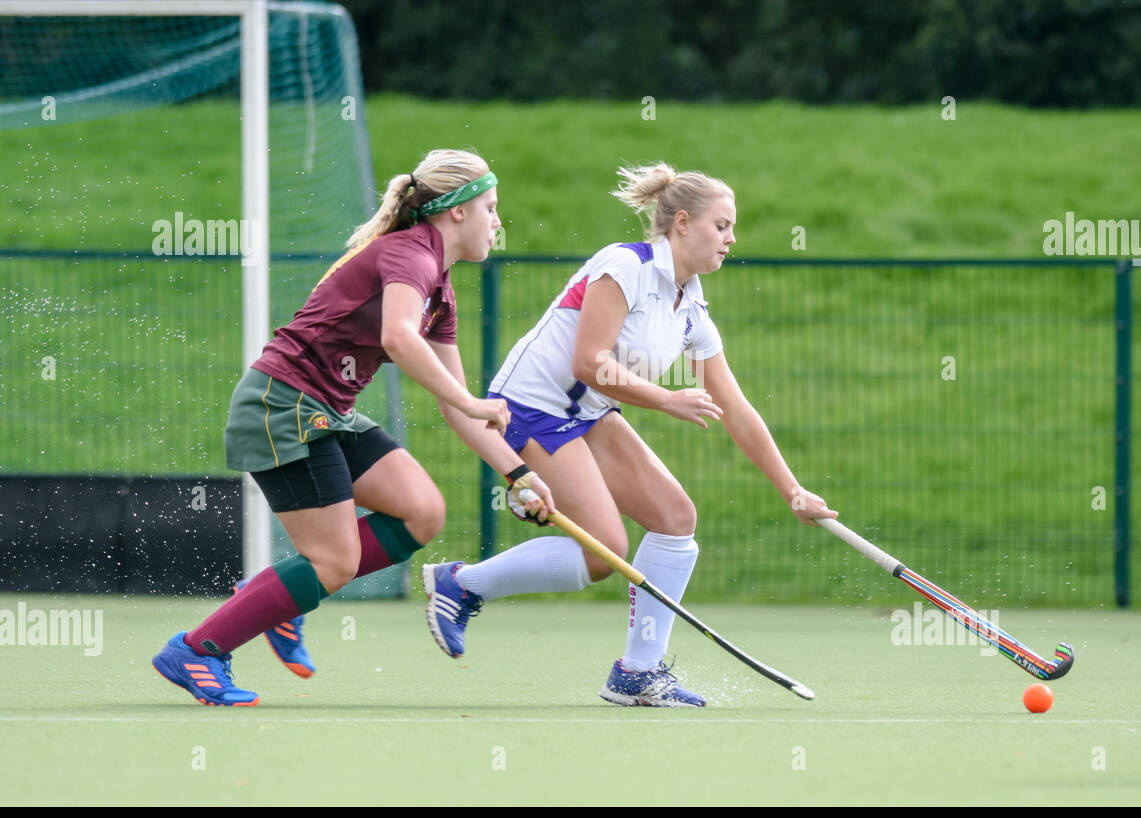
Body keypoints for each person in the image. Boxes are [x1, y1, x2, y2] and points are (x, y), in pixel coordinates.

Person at [422, 162, 836, 708]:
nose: (732, 239)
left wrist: (792, 489)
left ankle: (637, 672)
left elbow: (735, 408)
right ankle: (461, 583)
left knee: (675, 519)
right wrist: (666, 399)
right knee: (605, 551)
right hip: (530, 406)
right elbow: (590, 361)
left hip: (588, 414)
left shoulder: (692, 310)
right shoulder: (624, 267)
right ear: (682, 223)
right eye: (722, 225)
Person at [151, 149, 555, 706]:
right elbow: (397, 338)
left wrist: (519, 475)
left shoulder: (440, 290)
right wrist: (468, 398)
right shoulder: (410, 257)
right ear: (456, 212)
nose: (497, 221)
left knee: (421, 510)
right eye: (490, 207)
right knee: (334, 561)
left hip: (327, 411)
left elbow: (459, 408)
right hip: (282, 407)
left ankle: (281, 596)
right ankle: (198, 649)